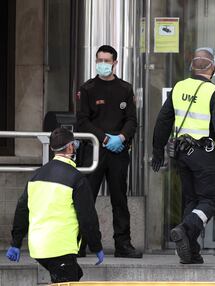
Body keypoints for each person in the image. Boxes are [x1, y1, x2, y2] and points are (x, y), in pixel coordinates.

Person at [151, 47, 215, 264]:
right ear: (213, 67)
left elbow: (163, 120)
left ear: (191, 67)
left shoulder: (179, 87)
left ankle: (190, 251)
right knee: (211, 199)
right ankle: (186, 229)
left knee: (192, 199)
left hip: (181, 153)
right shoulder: (214, 92)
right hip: (203, 153)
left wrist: (157, 150)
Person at [5, 128, 104, 283]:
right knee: (67, 277)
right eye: (74, 145)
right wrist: (96, 246)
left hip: (38, 248)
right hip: (60, 249)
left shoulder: (36, 176)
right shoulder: (76, 178)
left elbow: (22, 209)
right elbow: (87, 218)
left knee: (74, 274)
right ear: (71, 147)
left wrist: (16, 243)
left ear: (51, 149)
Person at [76, 45, 141, 258]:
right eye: (99, 60)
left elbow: (132, 119)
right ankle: (79, 243)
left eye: (106, 60)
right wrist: (104, 138)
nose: (102, 64)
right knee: (85, 198)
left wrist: (121, 137)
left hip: (118, 151)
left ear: (115, 63)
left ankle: (123, 244)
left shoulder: (125, 88)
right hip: (93, 150)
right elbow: (82, 121)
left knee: (119, 199)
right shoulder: (87, 89)